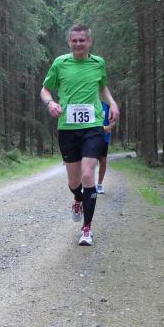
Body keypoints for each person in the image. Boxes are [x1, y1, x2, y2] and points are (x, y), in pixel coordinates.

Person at [40, 23, 119, 246]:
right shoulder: (60, 63)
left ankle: (87, 229)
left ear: (89, 42)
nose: (78, 44)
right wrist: (50, 103)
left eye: (82, 40)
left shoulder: (98, 63)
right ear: (69, 42)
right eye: (74, 40)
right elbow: (45, 89)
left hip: (93, 126)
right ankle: (77, 198)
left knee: (87, 175)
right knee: (74, 181)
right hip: (67, 128)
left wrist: (112, 103)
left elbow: (102, 87)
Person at [96, 100, 112, 194]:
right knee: (90, 161)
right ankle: (87, 184)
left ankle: (99, 185)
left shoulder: (107, 105)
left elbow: (113, 121)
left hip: (104, 138)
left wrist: (108, 127)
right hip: (91, 137)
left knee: (103, 161)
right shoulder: (89, 102)